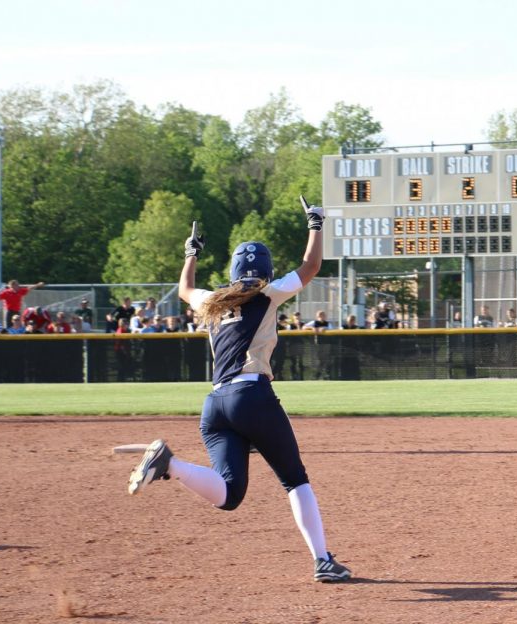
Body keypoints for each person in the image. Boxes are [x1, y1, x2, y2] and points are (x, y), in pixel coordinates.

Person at [127, 198, 351, 583]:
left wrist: (190, 253)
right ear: (264, 271)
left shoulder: (212, 302)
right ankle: (322, 560)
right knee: (294, 479)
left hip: (215, 406)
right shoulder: (266, 294)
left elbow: (185, 289)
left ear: (232, 270)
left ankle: (171, 464)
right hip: (252, 397)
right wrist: (316, 223)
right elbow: (311, 267)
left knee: (229, 496)